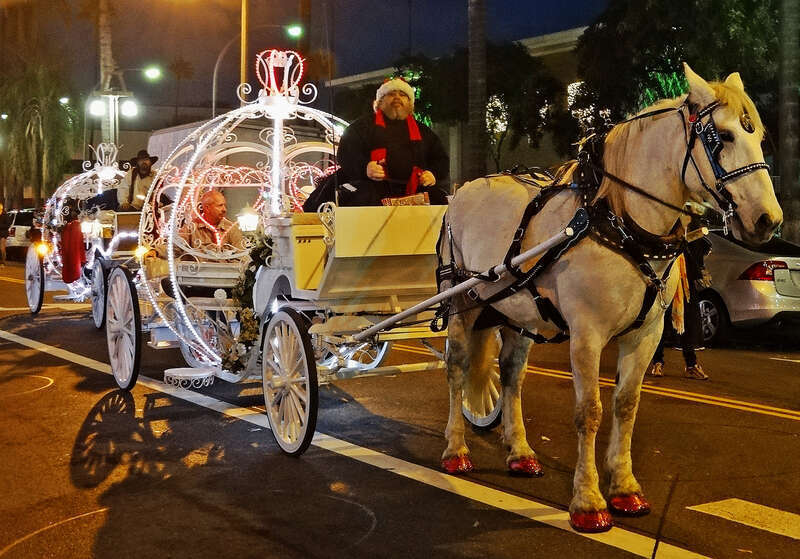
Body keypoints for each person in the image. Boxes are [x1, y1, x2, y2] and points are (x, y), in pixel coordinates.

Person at [337, 77, 450, 206]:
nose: (397, 98)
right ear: (380, 102)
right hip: (373, 190)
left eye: (402, 95)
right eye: (391, 94)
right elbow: (346, 154)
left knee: (439, 198)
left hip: (416, 190)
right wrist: (366, 168)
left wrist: (432, 174)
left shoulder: (424, 131)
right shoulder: (362, 127)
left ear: (410, 104)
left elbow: (441, 159)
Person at [647, 231, 713, 380]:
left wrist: (699, 271)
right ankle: (657, 362)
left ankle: (691, 364)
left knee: (686, 321)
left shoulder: (691, 222)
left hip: (684, 278)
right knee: (661, 319)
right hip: (667, 272)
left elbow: (697, 248)